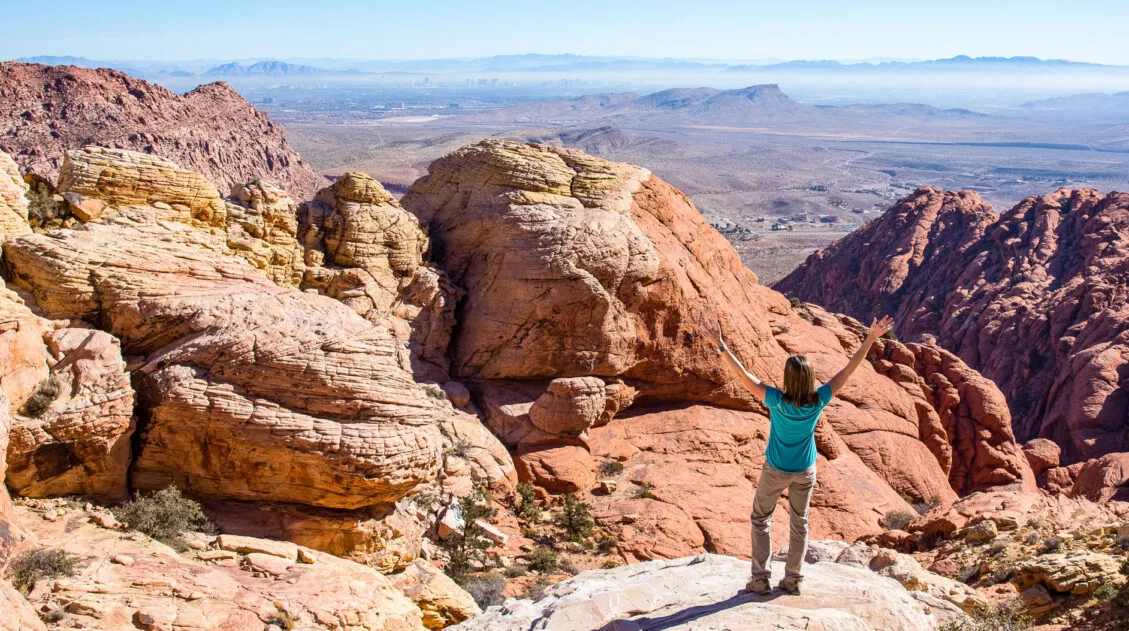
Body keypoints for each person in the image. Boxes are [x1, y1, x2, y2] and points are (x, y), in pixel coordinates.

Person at [700, 314, 894, 595]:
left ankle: (760, 579)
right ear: (810, 378)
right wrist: (871, 338)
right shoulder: (819, 399)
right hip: (805, 470)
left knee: (760, 519)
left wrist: (721, 346)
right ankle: (793, 580)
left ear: (788, 378)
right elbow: (849, 369)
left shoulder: (776, 400)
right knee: (799, 522)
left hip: (776, 468)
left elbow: (743, 376)